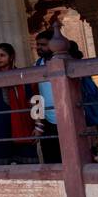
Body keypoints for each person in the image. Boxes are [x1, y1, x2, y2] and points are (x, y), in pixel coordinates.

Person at [0, 43, 37, 165]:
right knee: (1, 167)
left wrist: (38, 126)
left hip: (23, 124)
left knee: (29, 166)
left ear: (11, 57)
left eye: (2, 55)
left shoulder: (24, 75)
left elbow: (35, 99)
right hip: (0, 125)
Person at [67, 43, 98, 159]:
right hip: (90, 97)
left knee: (85, 124)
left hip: (84, 98)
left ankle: (89, 152)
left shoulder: (72, 64)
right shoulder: (81, 64)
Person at [33, 32, 62, 164]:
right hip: (47, 120)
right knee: (51, 158)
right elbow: (36, 95)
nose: (39, 47)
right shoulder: (37, 65)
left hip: (68, 117)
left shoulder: (65, 61)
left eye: (43, 45)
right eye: (37, 45)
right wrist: (38, 124)